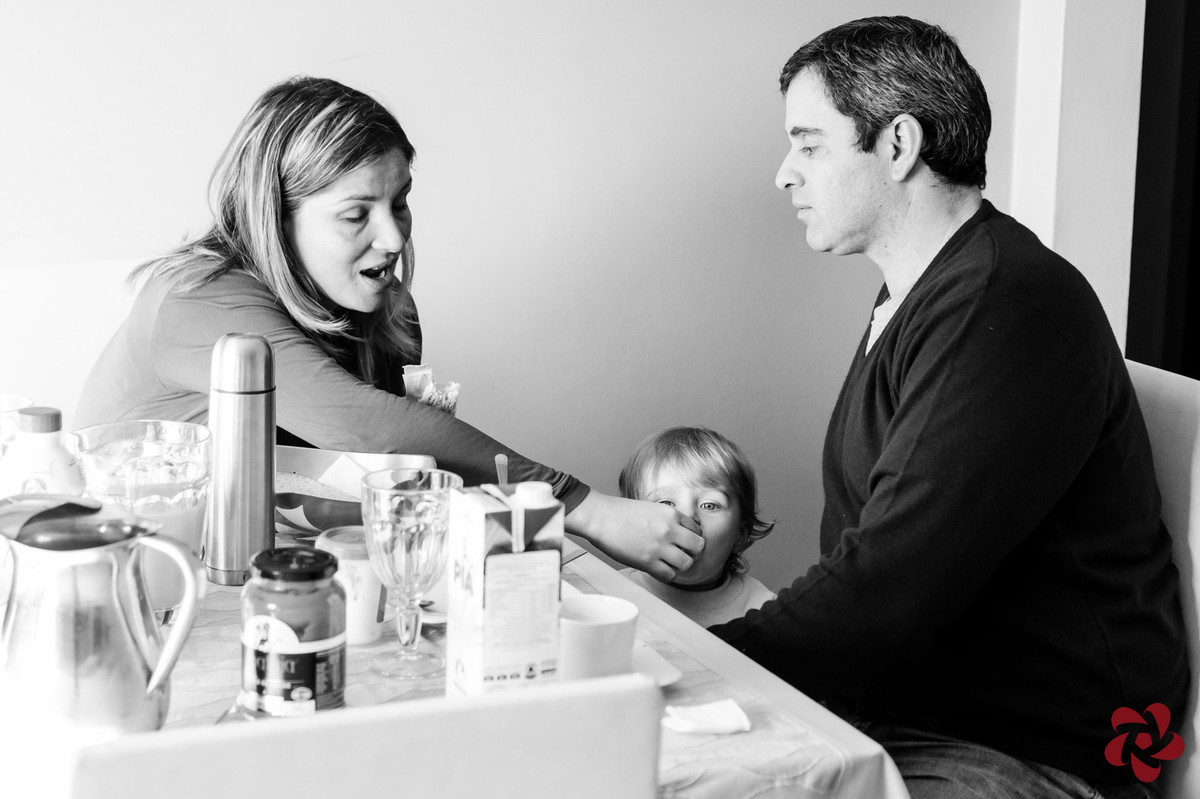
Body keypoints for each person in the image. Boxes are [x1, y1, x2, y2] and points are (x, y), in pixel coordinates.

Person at [708, 16, 1188, 799]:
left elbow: (883, 593)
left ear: (899, 144)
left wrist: (693, 664)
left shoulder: (1004, 305)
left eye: (810, 144)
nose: (784, 174)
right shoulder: (927, 293)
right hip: (907, 714)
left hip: (1027, 755)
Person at [75, 76, 702, 581]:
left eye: (399, 201)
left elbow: (392, 477)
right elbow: (367, 428)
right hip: (143, 579)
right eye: (357, 214)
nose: (395, 237)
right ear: (275, 218)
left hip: (295, 574)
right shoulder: (200, 300)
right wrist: (584, 507)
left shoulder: (387, 311)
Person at [616, 426, 776, 627]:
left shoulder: (764, 610)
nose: (688, 516)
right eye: (666, 503)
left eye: (709, 505)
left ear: (740, 535)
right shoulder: (610, 593)